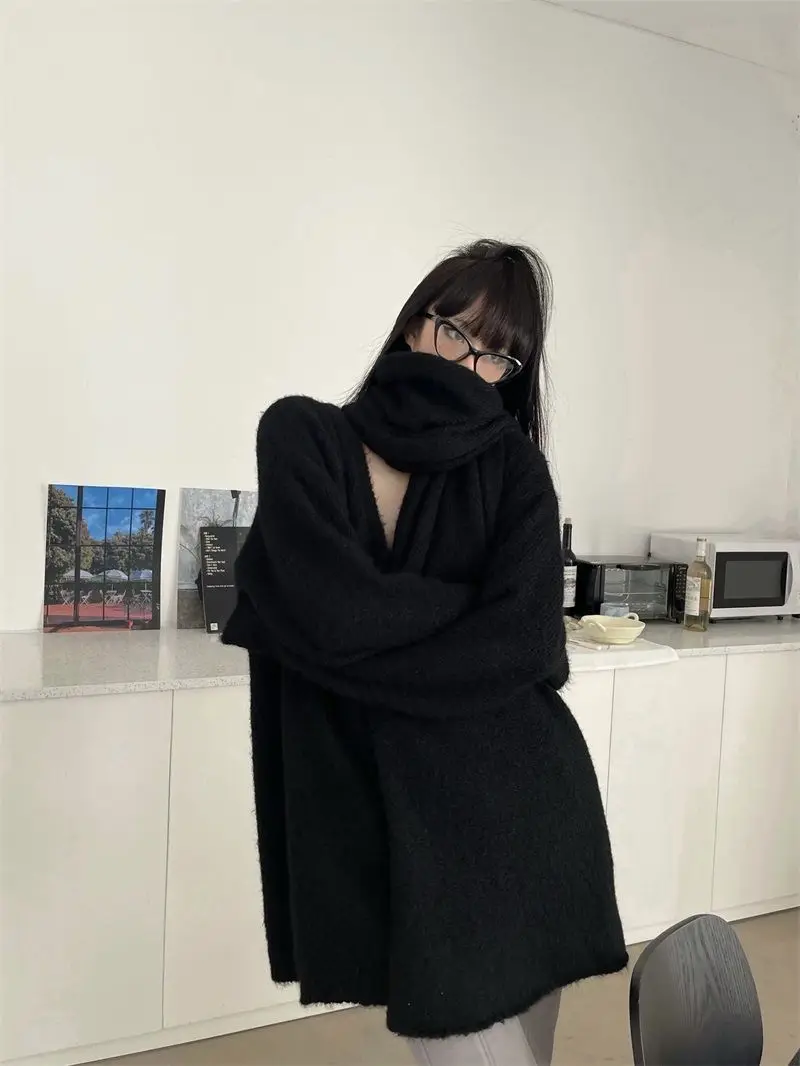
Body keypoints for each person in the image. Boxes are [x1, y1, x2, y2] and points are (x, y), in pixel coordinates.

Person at [222, 239, 627, 1065]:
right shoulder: (302, 433)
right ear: (415, 323)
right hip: (393, 831)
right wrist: (466, 616)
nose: (469, 367)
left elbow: (527, 643)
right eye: (456, 333)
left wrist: (341, 634)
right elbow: (334, 614)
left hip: (528, 813)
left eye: (497, 357)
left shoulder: (515, 469)